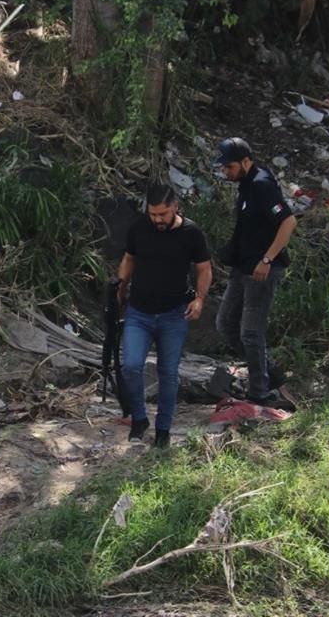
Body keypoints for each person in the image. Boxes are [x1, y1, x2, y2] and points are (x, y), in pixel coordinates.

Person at [117, 184, 212, 448]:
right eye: (153, 214)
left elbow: (204, 270)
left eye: (163, 214)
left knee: (168, 372)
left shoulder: (191, 233)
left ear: (175, 207)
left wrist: (200, 299)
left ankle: (163, 430)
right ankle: (139, 418)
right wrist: (120, 287)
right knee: (131, 366)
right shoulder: (138, 228)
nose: (157, 219)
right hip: (139, 311)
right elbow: (129, 259)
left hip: (174, 314)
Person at [214, 137, 297, 410]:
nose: (227, 172)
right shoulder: (246, 185)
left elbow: (288, 221)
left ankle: (259, 393)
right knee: (226, 323)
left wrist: (267, 259)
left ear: (246, 161)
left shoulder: (262, 184)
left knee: (251, 332)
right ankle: (269, 373)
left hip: (262, 271)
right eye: (225, 167)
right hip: (242, 268)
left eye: (230, 166)